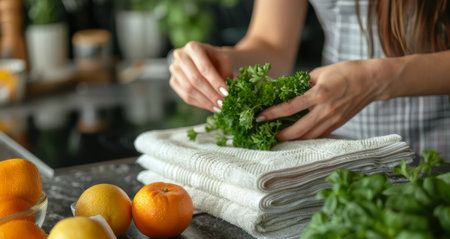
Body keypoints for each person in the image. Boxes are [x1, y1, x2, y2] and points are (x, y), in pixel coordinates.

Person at [168, 0, 450, 160]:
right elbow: (271, 43)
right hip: (338, 152)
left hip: (441, 150)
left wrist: (377, 78)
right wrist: (225, 61)